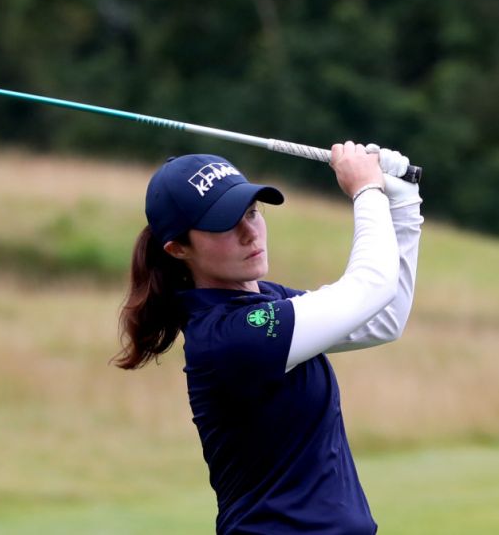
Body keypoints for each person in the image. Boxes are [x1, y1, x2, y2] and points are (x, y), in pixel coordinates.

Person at [115, 141, 423, 534]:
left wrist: (402, 201)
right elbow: (370, 288)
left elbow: (383, 317)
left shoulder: (265, 301)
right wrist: (367, 191)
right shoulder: (230, 336)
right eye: (224, 224)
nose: (249, 232)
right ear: (177, 249)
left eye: (251, 213)